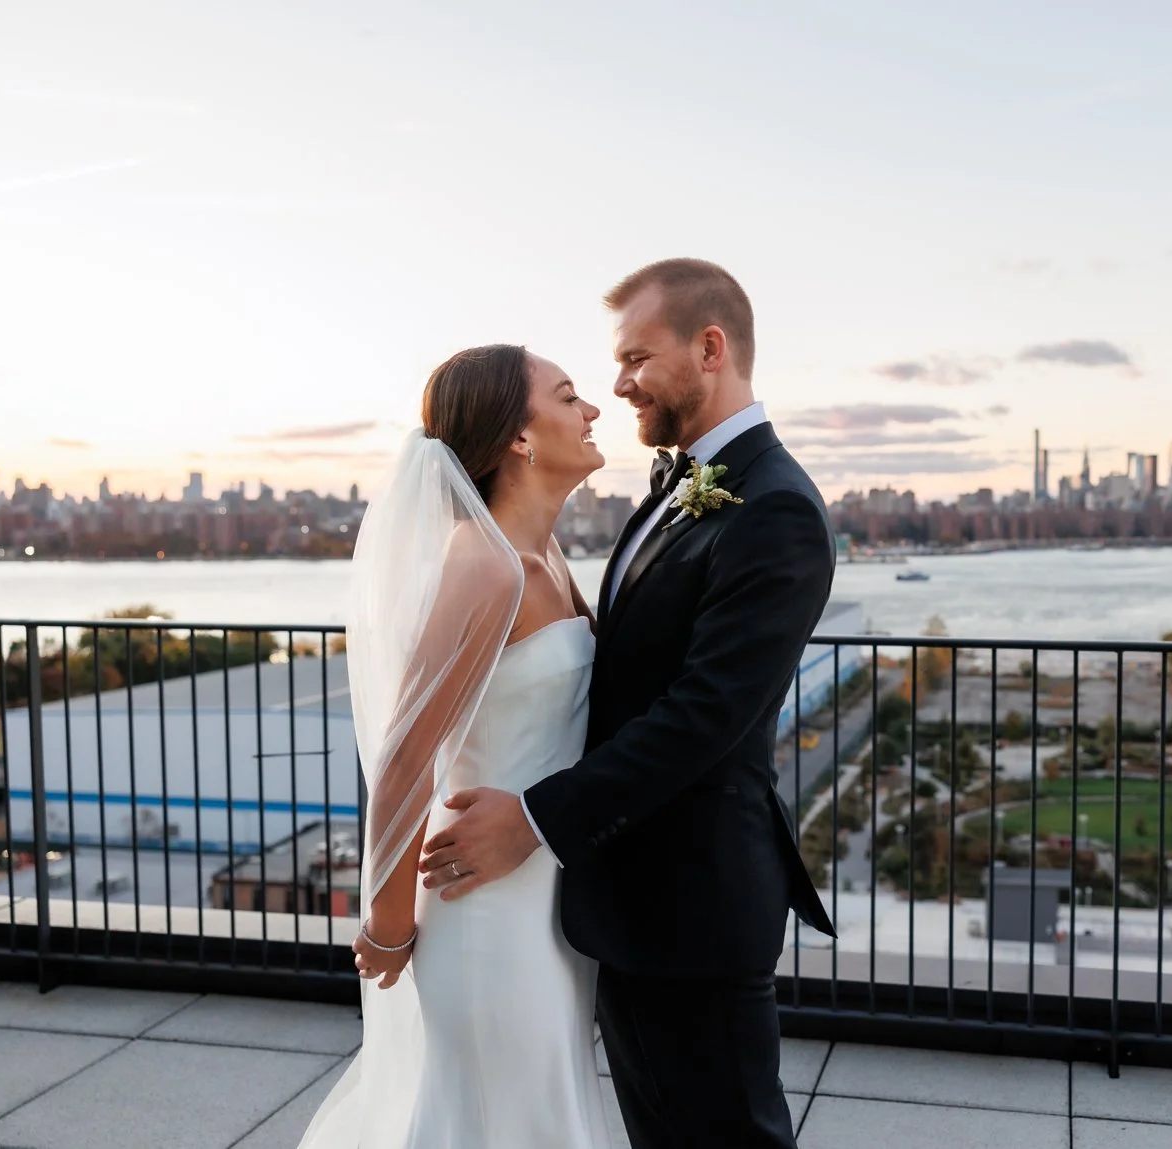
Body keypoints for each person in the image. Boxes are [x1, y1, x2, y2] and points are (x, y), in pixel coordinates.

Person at [415, 259, 839, 1147]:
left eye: (637, 358)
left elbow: (703, 716)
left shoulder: (775, 509)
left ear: (709, 348)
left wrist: (532, 817)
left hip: (694, 905)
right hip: (622, 901)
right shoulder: (676, 485)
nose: (617, 385)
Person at [299, 344, 617, 1147]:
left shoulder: (548, 556)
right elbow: (407, 756)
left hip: (544, 893)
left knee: (539, 1109)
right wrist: (388, 921)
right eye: (571, 396)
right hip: (485, 910)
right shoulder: (485, 567)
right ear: (519, 437)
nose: (593, 411)